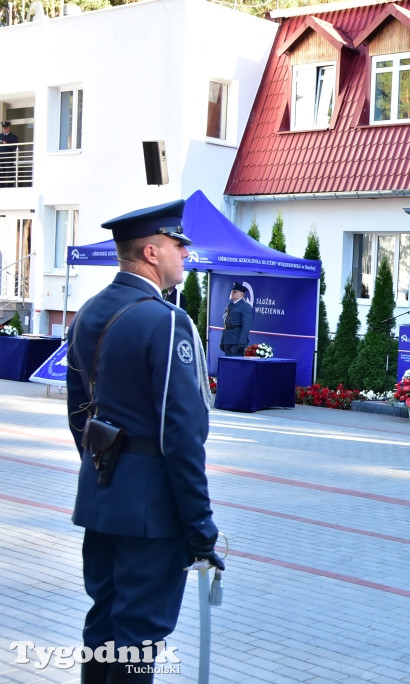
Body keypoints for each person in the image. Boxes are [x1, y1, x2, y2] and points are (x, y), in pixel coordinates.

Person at [65, 199, 222, 683]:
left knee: (105, 624)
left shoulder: (90, 311)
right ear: (151, 252)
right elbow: (182, 434)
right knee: (138, 637)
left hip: (102, 493)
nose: (185, 255)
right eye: (179, 245)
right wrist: (199, 523)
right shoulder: (166, 320)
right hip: (152, 509)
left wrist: (105, 469)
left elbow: (77, 412)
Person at [221, 282, 253, 356]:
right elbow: (226, 324)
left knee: (235, 365)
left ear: (241, 294)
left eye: (235, 292)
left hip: (237, 341)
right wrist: (222, 341)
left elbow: (246, 326)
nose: (232, 293)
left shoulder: (245, 306)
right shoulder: (230, 305)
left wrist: (242, 342)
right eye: (232, 291)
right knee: (227, 364)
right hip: (227, 340)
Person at [0, 121, 17, 188]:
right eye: (3, 128)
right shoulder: (0, 136)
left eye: (6, 128)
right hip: (1, 157)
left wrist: (7, 144)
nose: (4, 129)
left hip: (8, 157)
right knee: (1, 173)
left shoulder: (13, 136)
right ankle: (1, 186)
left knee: (10, 172)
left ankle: (10, 186)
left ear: (9, 128)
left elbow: (15, 147)